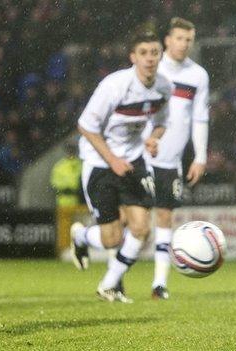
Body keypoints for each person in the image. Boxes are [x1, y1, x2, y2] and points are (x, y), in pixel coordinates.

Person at [70, 26, 171, 303]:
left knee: (141, 228)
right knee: (112, 238)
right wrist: (112, 159)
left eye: (154, 53)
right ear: (133, 57)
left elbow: (162, 122)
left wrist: (153, 138)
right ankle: (81, 237)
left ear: (161, 55)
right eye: (143, 53)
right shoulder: (114, 86)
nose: (149, 58)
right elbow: (86, 126)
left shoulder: (164, 86)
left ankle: (109, 284)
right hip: (99, 162)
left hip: (134, 159)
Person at [142, 17, 210, 300]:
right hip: (141, 157)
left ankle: (159, 284)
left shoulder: (198, 75)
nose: (184, 44)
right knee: (132, 224)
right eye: (179, 38)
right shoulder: (151, 70)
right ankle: (107, 265)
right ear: (167, 40)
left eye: (188, 40)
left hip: (172, 161)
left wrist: (200, 157)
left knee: (165, 217)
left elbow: (199, 118)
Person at [50, 141, 82, 208]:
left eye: (72, 148)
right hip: (63, 200)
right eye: (69, 148)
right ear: (66, 150)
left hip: (79, 200)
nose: (70, 151)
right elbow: (54, 182)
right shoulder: (59, 165)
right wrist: (69, 187)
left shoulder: (80, 164)